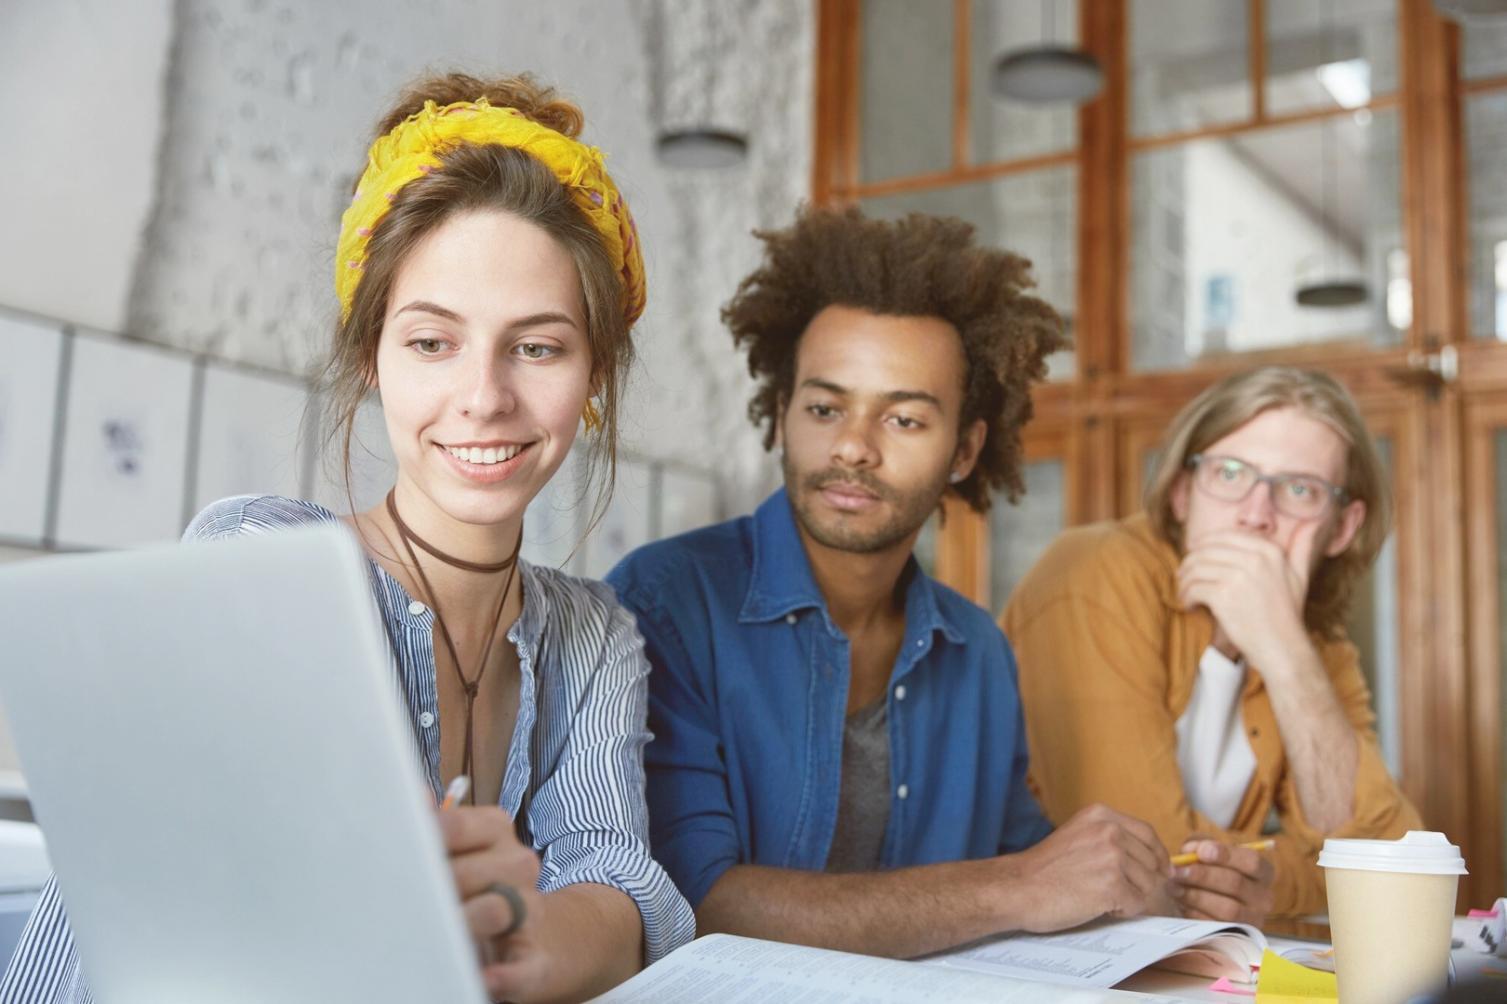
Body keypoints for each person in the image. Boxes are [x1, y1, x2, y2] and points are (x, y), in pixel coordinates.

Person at [1, 72, 693, 1003]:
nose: (484, 397)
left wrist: (510, 941)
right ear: (371, 356)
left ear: (594, 373)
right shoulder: (255, 564)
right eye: (431, 342)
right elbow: (214, 939)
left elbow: (619, 893)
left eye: (537, 346)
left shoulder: (593, 636)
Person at [607, 207, 1176, 959]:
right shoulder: (665, 600)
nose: (852, 447)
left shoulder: (975, 650)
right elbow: (694, 902)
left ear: (965, 449)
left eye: (903, 420)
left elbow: (1030, 865)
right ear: (781, 416)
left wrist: (1141, 888)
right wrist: (1019, 888)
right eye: (823, 407)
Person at [1002, 366, 1422, 926]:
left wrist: (1282, 648)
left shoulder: (1315, 647)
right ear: (1182, 493)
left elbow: (1396, 862)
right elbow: (1136, 867)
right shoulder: (1094, 573)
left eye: (1299, 490)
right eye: (1229, 473)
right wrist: (1297, 877)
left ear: (1342, 528)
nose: (1255, 515)